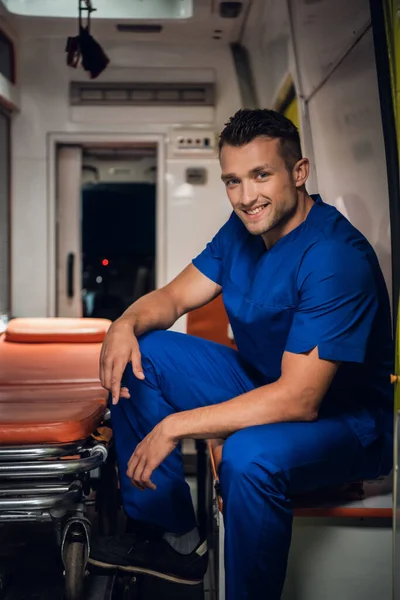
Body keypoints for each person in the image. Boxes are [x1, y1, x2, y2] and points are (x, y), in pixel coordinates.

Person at [89, 109, 394, 599]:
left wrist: (178, 425)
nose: (246, 196)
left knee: (249, 457)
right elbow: (170, 299)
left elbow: (300, 401)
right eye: (233, 181)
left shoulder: (334, 257)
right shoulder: (242, 230)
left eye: (261, 175)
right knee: (145, 353)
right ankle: (173, 537)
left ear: (299, 172)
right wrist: (122, 324)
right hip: (260, 384)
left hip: (344, 422)